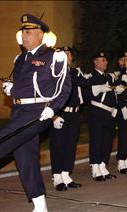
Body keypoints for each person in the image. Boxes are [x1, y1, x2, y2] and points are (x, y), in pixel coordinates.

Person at [0, 14, 71, 212]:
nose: (24, 36)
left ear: (41, 35)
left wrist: (53, 108)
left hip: (38, 111)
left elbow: (64, 87)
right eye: (23, 32)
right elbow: (23, 86)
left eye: (29, 32)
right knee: (26, 158)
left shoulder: (54, 56)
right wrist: (10, 88)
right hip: (18, 110)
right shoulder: (21, 58)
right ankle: (40, 207)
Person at [49, 46, 89, 191]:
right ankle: (57, 176)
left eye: (68, 54)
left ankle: (66, 174)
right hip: (60, 113)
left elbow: (85, 84)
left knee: (70, 145)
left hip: (74, 114)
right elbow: (48, 96)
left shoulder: (74, 72)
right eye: (63, 54)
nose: (66, 56)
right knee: (58, 145)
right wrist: (54, 117)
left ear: (71, 58)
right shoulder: (54, 72)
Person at [87, 52, 123, 181]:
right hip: (97, 111)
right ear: (95, 62)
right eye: (102, 60)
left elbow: (116, 89)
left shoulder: (110, 77)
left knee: (107, 140)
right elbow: (87, 93)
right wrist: (100, 88)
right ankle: (95, 168)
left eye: (106, 60)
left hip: (109, 113)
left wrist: (119, 89)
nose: (105, 62)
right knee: (97, 140)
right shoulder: (91, 77)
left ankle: (103, 165)